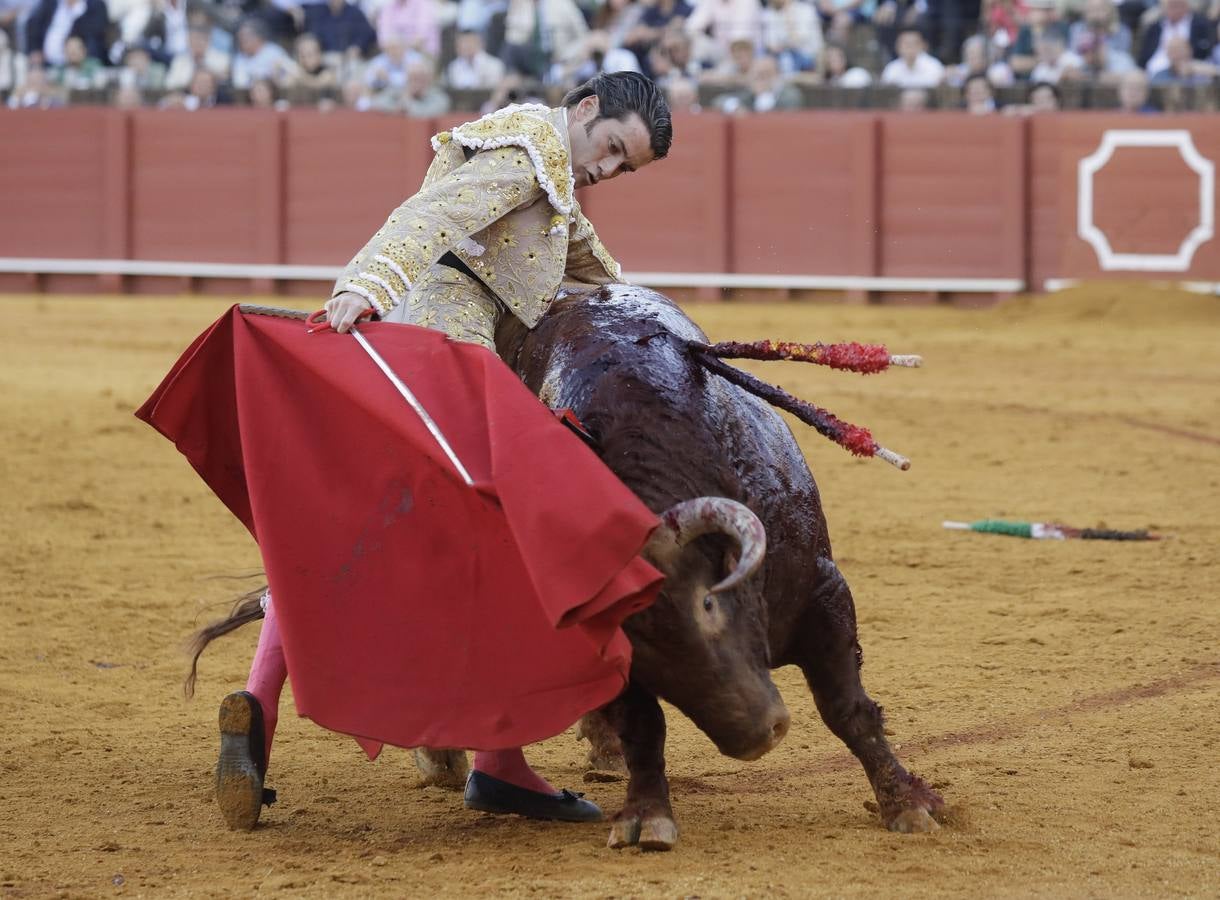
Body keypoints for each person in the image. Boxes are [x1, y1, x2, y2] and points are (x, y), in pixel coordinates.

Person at [215, 70, 673, 832]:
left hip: (429, 349)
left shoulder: (549, 172)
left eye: (625, 167)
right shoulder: (528, 154)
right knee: (507, 537)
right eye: (613, 149)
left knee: (357, 539)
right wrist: (367, 282)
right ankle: (499, 764)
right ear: (587, 108)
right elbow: (429, 215)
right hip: (442, 352)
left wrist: (672, 337)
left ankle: (258, 710)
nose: (609, 170)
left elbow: (601, 277)